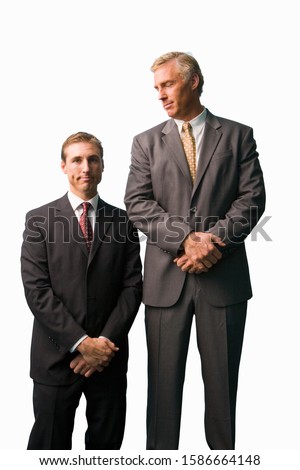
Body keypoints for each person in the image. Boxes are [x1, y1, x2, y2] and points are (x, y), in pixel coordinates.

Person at [125, 51, 266, 450]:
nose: (160, 95)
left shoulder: (238, 135)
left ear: (194, 82)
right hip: (165, 282)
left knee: (222, 388)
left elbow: (252, 198)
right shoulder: (146, 142)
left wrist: (213, 243)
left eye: (167, 84)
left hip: (223, 281)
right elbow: (137, 203)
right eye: (156, 88)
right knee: (162, 390)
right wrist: (186, 240)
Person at [21, 131, 142, 450]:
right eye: (77, 160)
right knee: (47, 451)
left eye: (93, 159)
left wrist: (102, 345)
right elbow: (37, 291)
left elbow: (132, 288)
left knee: (106, 451)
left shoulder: (124, 222)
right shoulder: (39, 221)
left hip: (109, 358)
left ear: (103, 166)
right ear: (63, 166)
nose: (85, 167)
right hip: (55, 359)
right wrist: (80, 343)